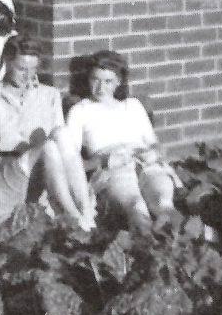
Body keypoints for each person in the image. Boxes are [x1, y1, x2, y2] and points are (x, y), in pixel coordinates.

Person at [0, 36, 96, 231]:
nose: (28, 76)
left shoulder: (49, 95)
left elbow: (66, 150)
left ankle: (86, 214)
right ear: (6, 62)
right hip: (2, 174)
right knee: (48, 146)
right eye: (22, 69)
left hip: (44, 169)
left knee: (60, 135)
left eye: (33, 69)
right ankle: (76, 218)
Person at [65, 50, 181, 233]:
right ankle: (148, 248)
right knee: (135, 206)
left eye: (108, 81)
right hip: (113, 167)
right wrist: (103, 162)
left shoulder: (133, 106)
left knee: (163, 203)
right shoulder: (80, 111)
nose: (101, 87)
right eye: (95, 79)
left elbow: (156, 145)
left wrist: (154, 153)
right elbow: (70, 163)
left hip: (146, 162)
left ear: (119, 81)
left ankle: (186, 243)